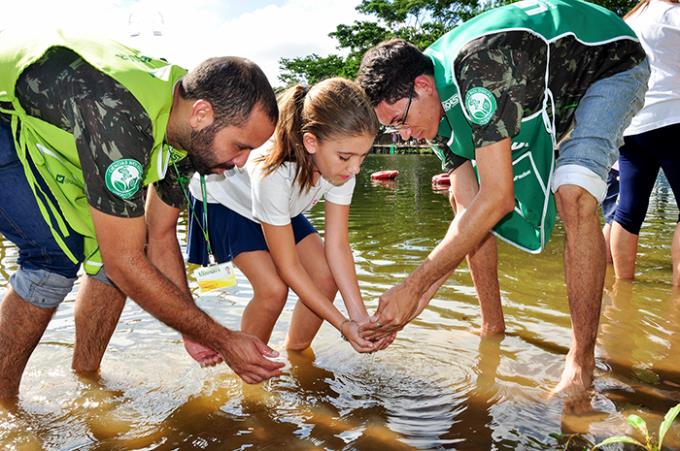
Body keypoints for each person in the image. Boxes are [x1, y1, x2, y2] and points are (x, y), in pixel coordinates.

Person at [356, 0, 649, 393]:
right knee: (462, 204)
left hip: (611, 65)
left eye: (399, 122)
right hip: (551, 84)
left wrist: (412, 285)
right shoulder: (432, 107)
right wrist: (421, 296)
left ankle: (581, 362)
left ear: (423, 87)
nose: (404, 135)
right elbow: (470, 209)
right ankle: (492, 327)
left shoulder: (479, 68)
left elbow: (498, 198)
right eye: (392, 130)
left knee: (574, 194)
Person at [0, 27, 284, 403]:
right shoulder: (121, 119)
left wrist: (193, 330)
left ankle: (86, 382)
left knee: (113, 251)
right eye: (240, 146)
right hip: (9, 117)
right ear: (202, 113)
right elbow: (127, 263)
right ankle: (5, 408)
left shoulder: (186, 130)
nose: (240, 163)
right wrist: (223, 338)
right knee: (54, 258)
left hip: (56, 129)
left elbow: (161, 234)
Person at [186, 78, 394, 353]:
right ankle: (246, 371)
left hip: (280, 207)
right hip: (224, 201)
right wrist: (342, 325)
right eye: (345, 157)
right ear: (311, 142)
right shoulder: (273, 173)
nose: (355, 168)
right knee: (272, 290)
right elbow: (289, 268)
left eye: (363, 156)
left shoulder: (343, 169)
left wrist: (360, 320)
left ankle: (296, 355)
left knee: (325, 276)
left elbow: (338, 246)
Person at [608, 0, 680, 284]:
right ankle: (677, 301)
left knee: (628, 209)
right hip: (673, 119)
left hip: (634, 123)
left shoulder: (632, 18)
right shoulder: (674, 15)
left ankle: (622, 288)